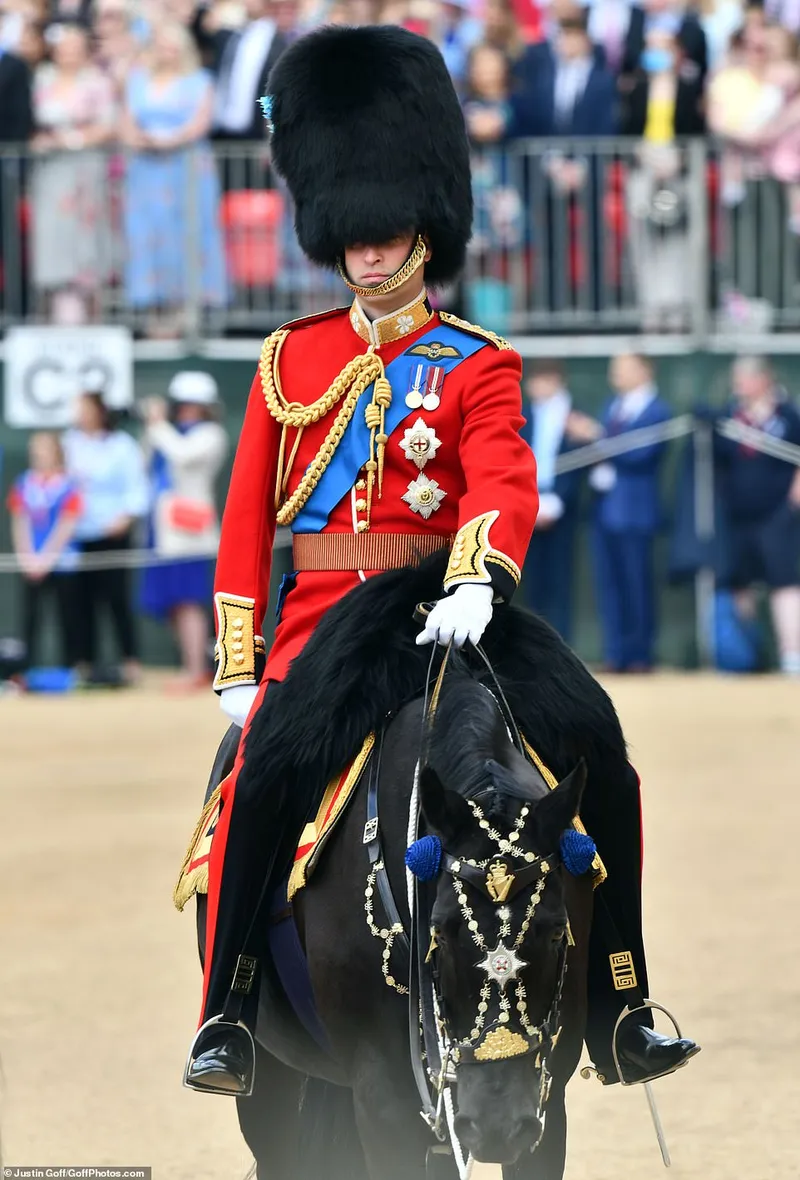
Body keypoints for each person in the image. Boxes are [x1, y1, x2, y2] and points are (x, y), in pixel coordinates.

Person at [182, 25, 697, 1099]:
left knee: (598, 745)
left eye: (385, 235)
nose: (368, 254)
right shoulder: (291, 359)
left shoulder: (476, 359)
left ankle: (620, 999)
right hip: (324, 619)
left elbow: (503, 481)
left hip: (449, 606)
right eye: (352, 238)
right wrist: (242, 656)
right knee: (259, 781)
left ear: (422, 227)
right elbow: (244, 517)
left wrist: (476, 574)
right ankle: (227, 1007)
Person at [121, 20, 227, 337]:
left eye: (174, 45)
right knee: (147, 235)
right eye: (162, 45)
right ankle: (154, 315)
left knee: (190, 235)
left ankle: (188, 315)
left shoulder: (199, 81)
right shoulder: (137, 80)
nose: (168, 51)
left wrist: (170, 140)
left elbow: (200, 122)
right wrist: (141, 140)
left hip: (188, 169)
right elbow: (125, 121)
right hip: (145, 172)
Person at [140, 371, 229, 691]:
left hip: (190, 530)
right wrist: (156, 428)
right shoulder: (169, 432)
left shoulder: (210, 434)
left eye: (192, 405)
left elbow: (182, 454)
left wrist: (156, 423)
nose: (185, 411)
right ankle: (187, 666)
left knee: (189, 600)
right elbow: (147, 462)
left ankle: (195, 669)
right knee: (173, 602)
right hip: (164, 529)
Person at [714, 356, 800, 676]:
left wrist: (793, 498)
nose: (739, 385)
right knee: (740, 584)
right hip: (738, 515)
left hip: (777, 513)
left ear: (763, 379)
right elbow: (719, 458)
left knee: (784, 582)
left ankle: (791, 655)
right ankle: (747, 653)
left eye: (745, 378)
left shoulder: (788, 415)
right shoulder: (729, 415)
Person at [621, 20, 706, 331]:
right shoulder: (637, 88)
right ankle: (651, 309)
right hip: (645, 167)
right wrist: (639, 151)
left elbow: (697, 130)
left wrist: (680, 158)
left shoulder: (689, 87)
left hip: (678, 168)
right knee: (644, 240)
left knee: (681, 242)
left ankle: (680, 309)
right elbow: (627, 130)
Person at [29, 19, 116, 322]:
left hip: (86, 169)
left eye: (75, 49)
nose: (68, 54)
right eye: (63, 48)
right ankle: (58, 313)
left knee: (86, 241)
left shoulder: (97, 81)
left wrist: (73, 139)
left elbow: (108, 124)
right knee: (53, 237)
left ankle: (90, 313)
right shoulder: (41, 78)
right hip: (51, 171)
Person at [590, 353, 672, 672]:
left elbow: (641, 454)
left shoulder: (657, 410)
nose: (616, 375)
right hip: (604, 510)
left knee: (637, 584)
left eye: (622, 369)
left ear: (644, 370)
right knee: (609, 585)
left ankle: (640, 654)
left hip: (636, 512)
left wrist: (597, 438)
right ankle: (617, 652)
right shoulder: (612, 406)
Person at [63, 390, 149, 684]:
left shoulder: (122, 446)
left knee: (116, 599)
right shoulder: (69, 444)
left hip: (113, 534)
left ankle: (130, 662)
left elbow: (137, 487)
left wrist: (124, 518)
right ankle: (84, 664)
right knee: (80, 601)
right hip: (77, 535)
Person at [522, 360, 596, 642]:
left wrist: (558, 500)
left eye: (540, 381)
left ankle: (561, 642)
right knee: (534, 582)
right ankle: (534, 645)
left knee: (561, 579)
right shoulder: (524, 414)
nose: (534, 387)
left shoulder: (576, 415)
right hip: (530, 505)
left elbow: (583, 462)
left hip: (563, 508)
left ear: (555, 381)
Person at [7, 431, 82, 671]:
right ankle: (23, 671)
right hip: (31, 563)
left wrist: (47, 559)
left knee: (68, 617)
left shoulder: (69, 484)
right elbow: (20, 521)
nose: (38, 454)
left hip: (63, 562)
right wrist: (28, 558)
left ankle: (71, 668)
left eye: (43, 448)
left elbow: (66, 525)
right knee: (30, 619)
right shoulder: (24, 482)